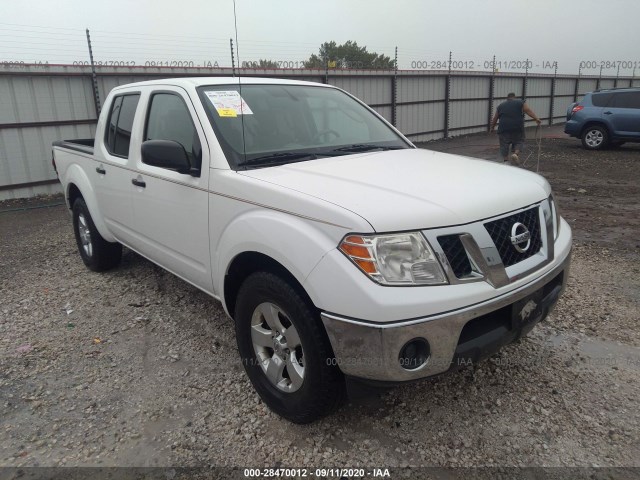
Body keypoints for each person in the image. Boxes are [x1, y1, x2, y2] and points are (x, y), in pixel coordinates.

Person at [490, 93, 541, 165]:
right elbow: (527, 110)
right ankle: (515, 154)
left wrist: (492, 128)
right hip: (517, 127)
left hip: (503, 128)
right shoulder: (520, 102)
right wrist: (536, 118)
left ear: (507, 98)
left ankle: (506, 161)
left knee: (504, 144)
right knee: (519, 141)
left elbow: (495, 118)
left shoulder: (500, 106)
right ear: (515, 97)